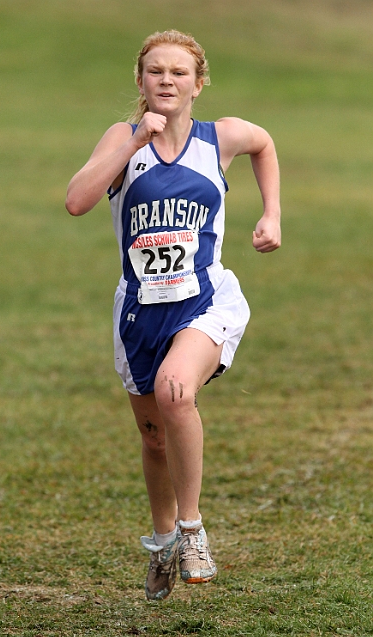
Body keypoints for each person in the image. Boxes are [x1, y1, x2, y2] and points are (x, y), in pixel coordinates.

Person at [65, 29, 281, 601]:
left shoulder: (220, 138)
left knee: (175, 392)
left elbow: (264, 143)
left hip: (205, 300)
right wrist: (134, 140)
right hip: (139, 311)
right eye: (155, 72)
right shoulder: (122, 137)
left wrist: (272, 215)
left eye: (179, 73)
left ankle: (192, 530)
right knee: (154, 438)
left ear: (198, 84)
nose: (167, 81)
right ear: (140, 81)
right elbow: (77, 200)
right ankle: (163, 540)